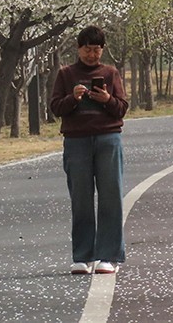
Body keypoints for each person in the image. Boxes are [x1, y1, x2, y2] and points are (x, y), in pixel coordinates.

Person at [49, 25, 129, 276]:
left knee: (111, 197)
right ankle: (83, 257)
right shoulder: (66, 74)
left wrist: (107, 99)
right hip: (76, 141)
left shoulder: (110, 73)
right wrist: (73, 98)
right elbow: (55, 108)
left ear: (103, 50)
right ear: (78, 48)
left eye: (96, 50)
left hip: (108, 139)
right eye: (87, 49)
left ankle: (109, 256)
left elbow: (122, 108)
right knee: (81, 199)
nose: (92, 55)